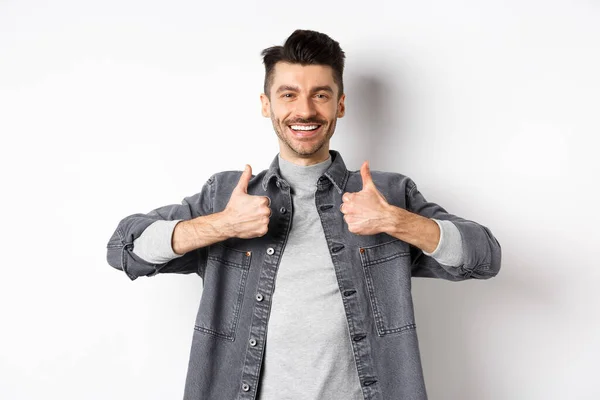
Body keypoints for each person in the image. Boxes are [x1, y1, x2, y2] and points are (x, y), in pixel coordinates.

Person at [106, 29, 501, 400]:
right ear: (267, 105)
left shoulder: (387, 194)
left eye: (321, 95)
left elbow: (484, 256)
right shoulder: (228, 196)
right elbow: (124, 248)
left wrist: (395, 221)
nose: (305, 110)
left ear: (340, 104)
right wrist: (222, 225)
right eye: (289, 95)